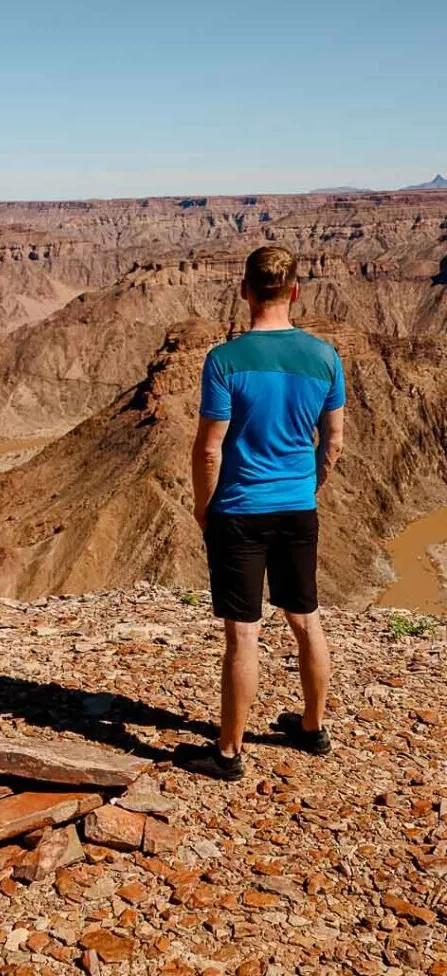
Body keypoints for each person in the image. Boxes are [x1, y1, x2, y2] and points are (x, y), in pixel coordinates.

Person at [186, 245, 345, 781]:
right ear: (296, 291)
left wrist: (204, 508)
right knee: (306, 619)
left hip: (240, 511)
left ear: (244, 290)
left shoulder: (225, 360)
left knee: (244, 632)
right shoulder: (325, 357)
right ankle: (312, 727)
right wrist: (309, 485)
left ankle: (228, 753)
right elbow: (335, 441)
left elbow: (209, 448)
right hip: (297, 507)